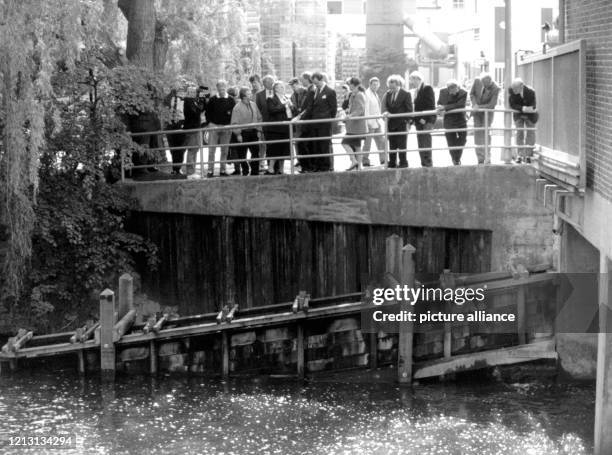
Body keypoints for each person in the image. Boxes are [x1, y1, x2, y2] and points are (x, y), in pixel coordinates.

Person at [297, 72, 337, 172]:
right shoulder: (315, 91)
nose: (316, 85)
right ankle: (318, 166)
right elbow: (311, 107)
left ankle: (325, 166)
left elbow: (333, 108)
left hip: (324, 123)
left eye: (317, 82)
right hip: (315, 123)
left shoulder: (330, 91)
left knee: (324, 145)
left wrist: (329, 119)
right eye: (314, 83)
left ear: (321, 79)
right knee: (317, 145)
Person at [381, 74, 413, 168]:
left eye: (393, 88)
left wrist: (408, 122)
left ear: (398, 84)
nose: (391, 90)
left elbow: (409, 109)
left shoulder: (406, 94)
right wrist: (385, 113)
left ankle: (403, 162)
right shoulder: (388, 94)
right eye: (390, 87)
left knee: (402, 144)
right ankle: (392, 162)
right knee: (392, 144)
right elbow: (386, 107)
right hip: (391, 123)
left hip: (401, 123)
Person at [205, 80, 235, 177]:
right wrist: (210, 123)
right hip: (214, 127)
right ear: (217, 88)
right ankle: (210, 170)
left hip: (226, 128)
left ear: (226, 87)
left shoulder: (231, 100)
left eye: (223, 87)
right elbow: (207, 112)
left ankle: (222, 169)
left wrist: (230, 125)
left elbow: (234, 114)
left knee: (225, 150)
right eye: (220, 87)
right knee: (211, 150)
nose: (221, 89)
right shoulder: (212, 99)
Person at [230, 87, 263, 176]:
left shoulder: (253, 104)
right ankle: (245, 170)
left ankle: (255, 172)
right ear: (244, 96)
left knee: (256, 153)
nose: (251, 95)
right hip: (243, 133)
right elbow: (234, 123)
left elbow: (259, 118)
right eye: (249, 94)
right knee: (242, 154)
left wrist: (259, 130)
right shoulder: (237, 107)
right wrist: (238, 134)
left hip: (253, 132)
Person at [470, 72, 500, 164]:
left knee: (486, 134)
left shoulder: (496, 88)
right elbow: (472, 94)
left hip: (487, 114)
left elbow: (492, 105)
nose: (485, 87)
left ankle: (487, 156)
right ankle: (480, 157)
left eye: (487, 85)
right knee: (478, 134)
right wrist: (474, 104)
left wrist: (478, 108)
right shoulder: (477, 81)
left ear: (491, 82)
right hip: (477, 114)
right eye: (484, 85)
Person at [437, 79, 468, 165]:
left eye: (454, 92)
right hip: (449, 120)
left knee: (463, 139)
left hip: (460, 119)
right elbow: (440, 103)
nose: (452, 94)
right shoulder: (442, 91)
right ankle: (456, 160)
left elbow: (460, 105)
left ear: (458, 87)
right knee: (451, 141)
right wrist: (441, 106)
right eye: (450, 91)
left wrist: (445, 107)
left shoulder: (463, 92)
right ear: (448, 89)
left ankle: (456, 158)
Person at [265, 81, 293, 174]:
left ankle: (281, 169)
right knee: (275, 148)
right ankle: (271, 168)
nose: (283, 88)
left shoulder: (286, 98)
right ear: (275, 88)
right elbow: (272, 110)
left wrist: (291, 106)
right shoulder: (271, 98)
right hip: (276, 128)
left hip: (286, 127)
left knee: (284, 149)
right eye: (280, 87)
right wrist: (284, 105)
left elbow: (292, 110)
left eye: (283, 87)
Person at [409, 71, 436, 167]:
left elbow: (431, 104)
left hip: (426, 120)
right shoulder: (417, 90)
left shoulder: (427, 88)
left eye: (412, 80)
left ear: (417, 79)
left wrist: (424, 118)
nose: (412, 82)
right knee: (421, 142)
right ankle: (424, 162)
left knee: (425, 141)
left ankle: (428, 162)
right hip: (419, 121)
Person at [508, 77, 539, 164]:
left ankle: (528, 155)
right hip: (519, 113)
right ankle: (520, 155)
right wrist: (523, 108)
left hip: (530, 115)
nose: (514, 90)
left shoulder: (530, 91)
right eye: (513, 88)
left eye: (516, 88)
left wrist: (527, 109)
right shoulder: (511, 90)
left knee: (530, 133)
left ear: (522, 86)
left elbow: (533, 105)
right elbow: (512, 104)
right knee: (519, 132)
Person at [341, 77, 367, 171]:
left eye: (350, 84)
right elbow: (353, 107)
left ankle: (353, 161)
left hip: (356, 125)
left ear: (353, 84)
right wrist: (348, 112)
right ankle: (359, 166)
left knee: (344, 143)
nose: (349, 85)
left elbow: (360, 109)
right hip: (354, 125)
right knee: (357, 146)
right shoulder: (353, 94)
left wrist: (350, 115)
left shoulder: (359, 95)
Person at [182, 85, 207, 178]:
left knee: (196, 149)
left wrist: (203, 100)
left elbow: (202, 109)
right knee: (192, 150)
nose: (193, 94)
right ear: (187, 93)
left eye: (194, 92)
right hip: (191, 129)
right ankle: (190, 172)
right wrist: (200, 100)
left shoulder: (194, 101)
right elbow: (196, 112)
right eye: (191, 92)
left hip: (196, 127)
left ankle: (192, 171)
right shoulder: (188, 101)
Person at [363, 76, 386, 166]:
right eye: (374, 84)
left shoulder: (375, 93)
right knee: (367, 143)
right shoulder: (367, 94)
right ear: (370, 85)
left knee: (381, 141)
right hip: (370, 123)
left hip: (376, 122)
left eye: (377, 84)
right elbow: (366, 110)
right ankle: (365, 160)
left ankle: (383, 159)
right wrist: (367, 122)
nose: (376, 86)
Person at [164, 86, 186, 175]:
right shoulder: (170, 99)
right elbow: (165, 104)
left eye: (182, 90)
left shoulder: (186, 100)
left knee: (181, 148)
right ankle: (175, 168)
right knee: (173, 148)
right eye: (179, 90)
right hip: (171, 124)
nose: (181, 92)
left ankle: (178, 167)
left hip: (182, 123)